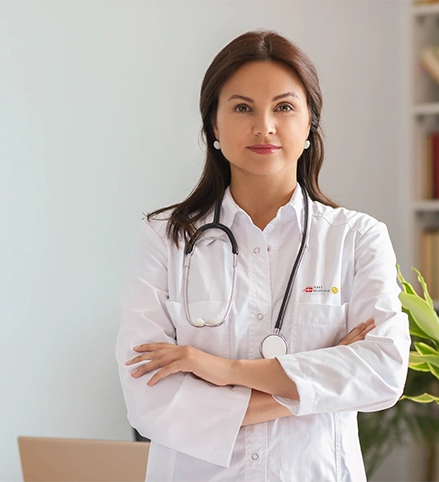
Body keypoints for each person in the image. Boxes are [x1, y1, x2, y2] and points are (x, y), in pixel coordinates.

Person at [115, 29, 410, 481]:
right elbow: (151, 403)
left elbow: (383, 373)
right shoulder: (165, 239)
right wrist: (315, 387)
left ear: (310, 124)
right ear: (213, 125)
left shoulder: (357, 237)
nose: (264, 125)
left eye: (284, 107)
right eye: (242, 107)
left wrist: (221, 369)